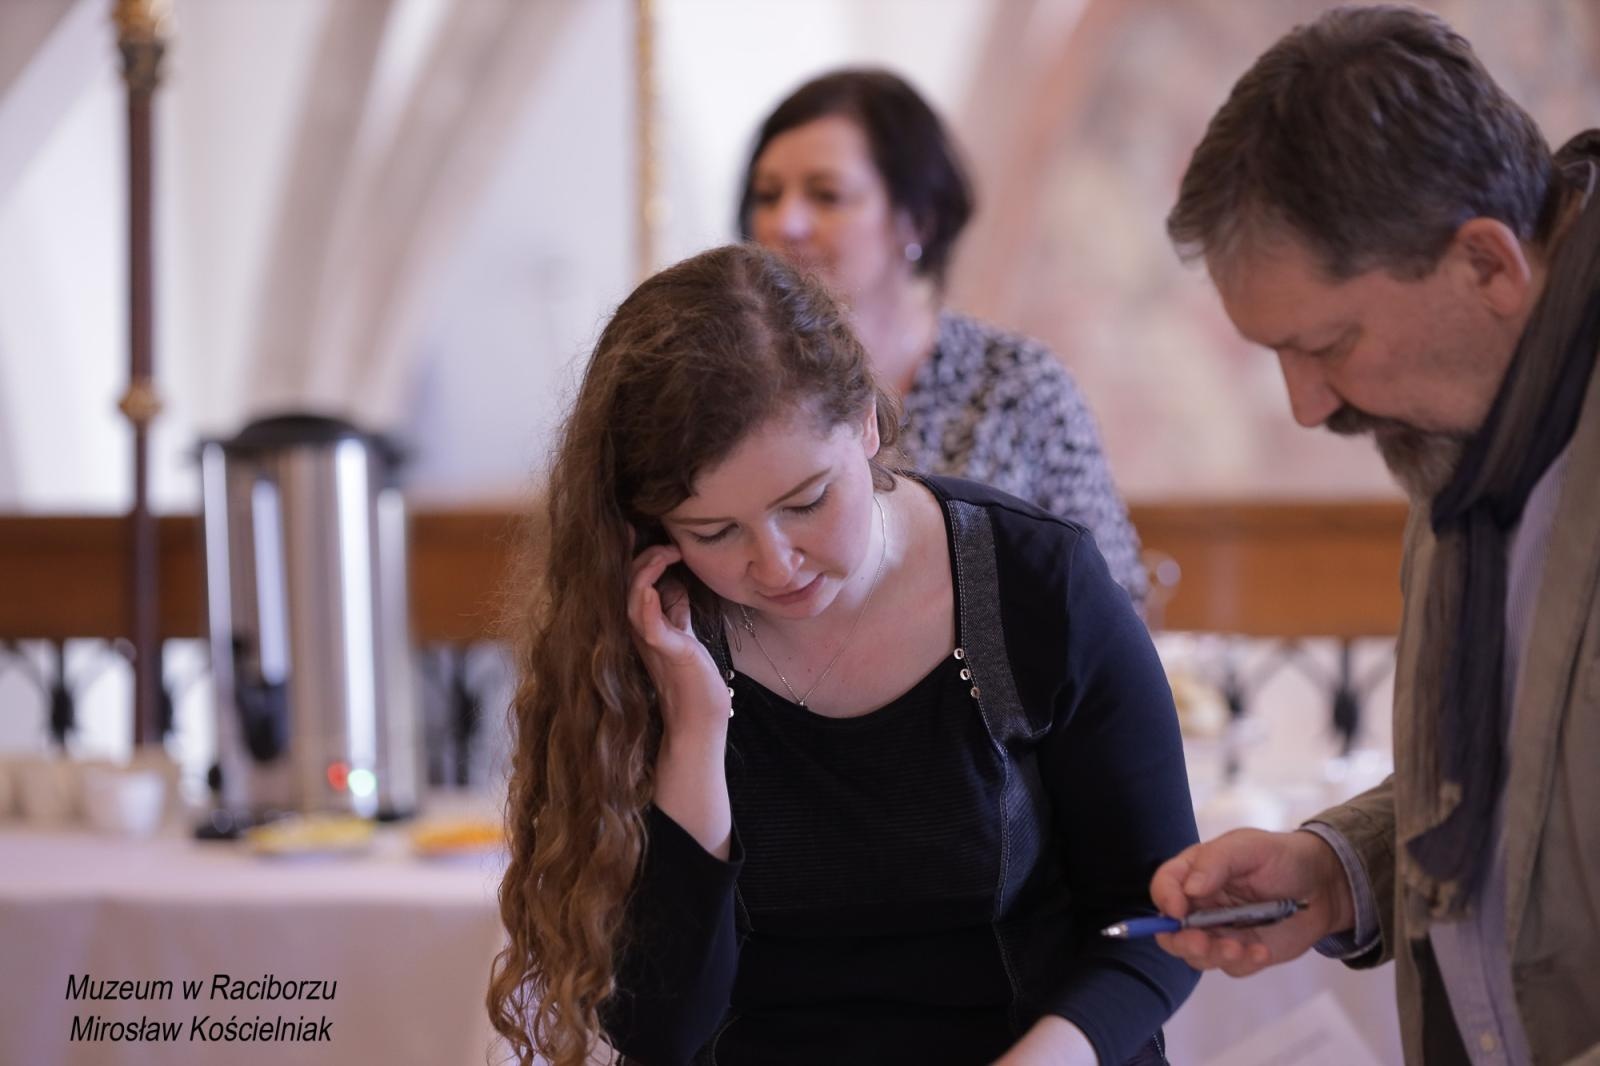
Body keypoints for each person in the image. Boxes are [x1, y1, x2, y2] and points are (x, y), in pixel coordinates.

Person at [486, 244, 1198, 1066]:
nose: (775, 563)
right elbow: (660, 1031)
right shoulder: (639, 643)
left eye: (807, 501)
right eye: (715, 533)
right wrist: (695, 731)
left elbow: (1151, 923)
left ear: (866, 420)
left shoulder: (1034, 584)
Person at [1150, 6, 1600, 1064]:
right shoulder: (1463, 422)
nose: (1308, 406)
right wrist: (1335, 866)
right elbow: (1523, 776)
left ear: (1488, 265)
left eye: (1328, 343)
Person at [738, 68, 1149, 607]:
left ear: (918, 221)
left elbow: (1115, 600)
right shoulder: (738, 388)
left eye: (826, 195)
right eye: (768, 196)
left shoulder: (1019, 386)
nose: (785, 222)